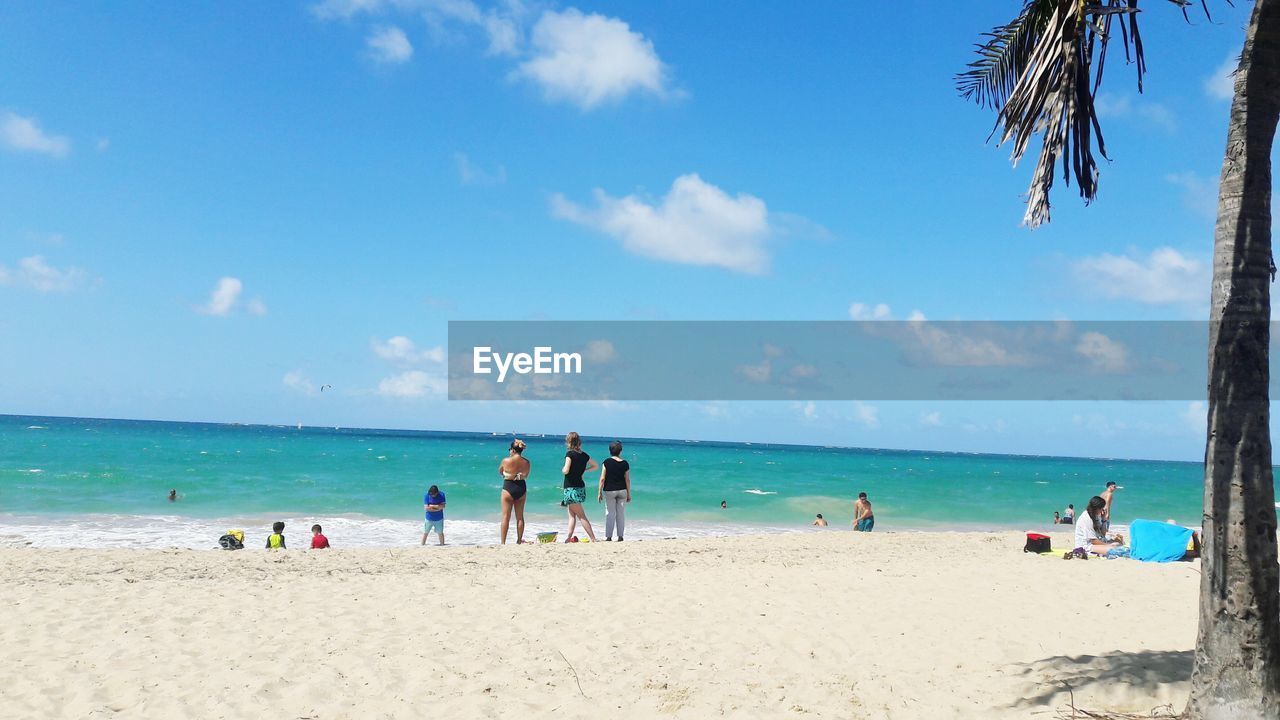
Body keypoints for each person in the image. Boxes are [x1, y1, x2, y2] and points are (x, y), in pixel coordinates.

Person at [560, 432, 599, 542]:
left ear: (568, 442)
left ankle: (593, 538)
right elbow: (595, 466)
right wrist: (584, 471)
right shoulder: (584, 455)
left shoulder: (570, 454)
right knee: (572, 515)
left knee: (581, 516)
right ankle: (568, 538)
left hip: (571, 488)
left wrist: (563, 470)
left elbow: (566, 470)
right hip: (580, 487)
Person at [499, 439, 531, 545]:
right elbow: (525, 475)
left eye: (510, 449)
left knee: (505, 517)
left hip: (508, 487)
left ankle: (503, 542)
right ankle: (518, 541)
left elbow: (500, 472)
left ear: (513, 450)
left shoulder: (506, 461)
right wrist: (517, 475)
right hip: (521, 488)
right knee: (520, 517)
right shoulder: (526, 462)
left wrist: (508, 474)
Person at [597, 440, 631, 541]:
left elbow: (602, 478)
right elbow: (627, 480)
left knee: (610, 513)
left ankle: (609, 536)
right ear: (620, 451)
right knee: (621, 514)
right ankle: (620, 536)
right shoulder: (625, 463)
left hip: (610, 491)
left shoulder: (606, 462)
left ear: (610, 451)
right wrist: (629, 494)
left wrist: (599, 492)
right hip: (622, 490)